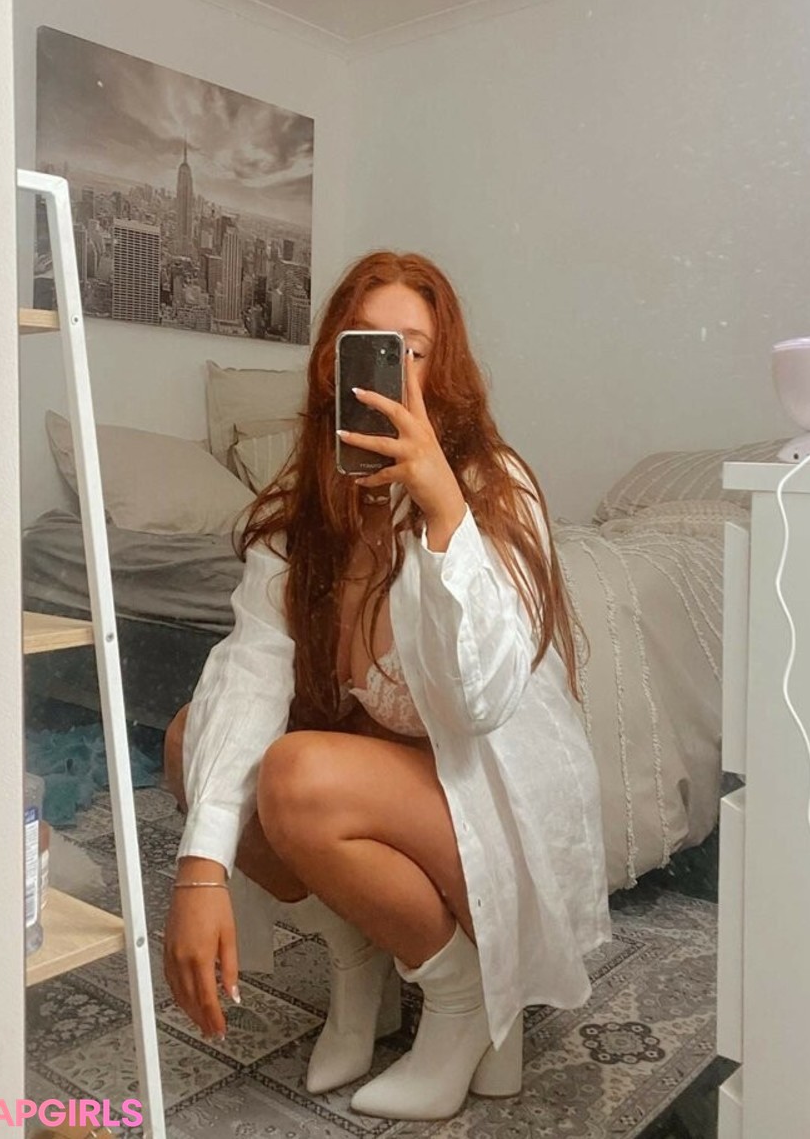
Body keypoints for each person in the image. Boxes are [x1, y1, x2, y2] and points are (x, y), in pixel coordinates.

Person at [163, 250, 610, 1121]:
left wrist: (444, 514)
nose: (391, 370)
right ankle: (358, 961)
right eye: (369, 345)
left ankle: (460, 994)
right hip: (397, 786)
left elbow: (482, 702)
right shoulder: (313, 505)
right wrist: (200, 872)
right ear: (331, 364)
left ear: (443, 370)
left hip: (491, 791)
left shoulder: (494, 486)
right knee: (192, 738)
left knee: (295, 775)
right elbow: (251, 670)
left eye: (414, 349)